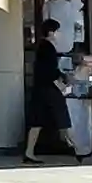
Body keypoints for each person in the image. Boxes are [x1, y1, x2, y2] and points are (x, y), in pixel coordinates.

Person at [23, 18, 76, 164]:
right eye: (58, 31)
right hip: (48, 89)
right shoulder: (48, 48)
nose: (59, 34)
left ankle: (29, 152)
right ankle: (74, 147)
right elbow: (49, 70)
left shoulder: (42, 47)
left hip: (40, 89)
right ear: (51, 32)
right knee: (62, 117)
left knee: (37, 121)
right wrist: (62, 80)